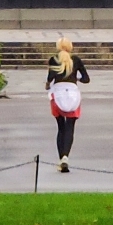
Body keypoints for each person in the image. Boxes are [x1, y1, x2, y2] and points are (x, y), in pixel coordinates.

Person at [45, 37, 90, 172]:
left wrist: (47, 85)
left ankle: (61, 159)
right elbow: (86, 79)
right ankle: (66, 156)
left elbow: (50, 78)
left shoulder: (54, 60)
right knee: (70, 127)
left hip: (58, 95)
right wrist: (75, 77)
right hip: (72, 95)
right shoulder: (75, 60)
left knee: (61, 128)